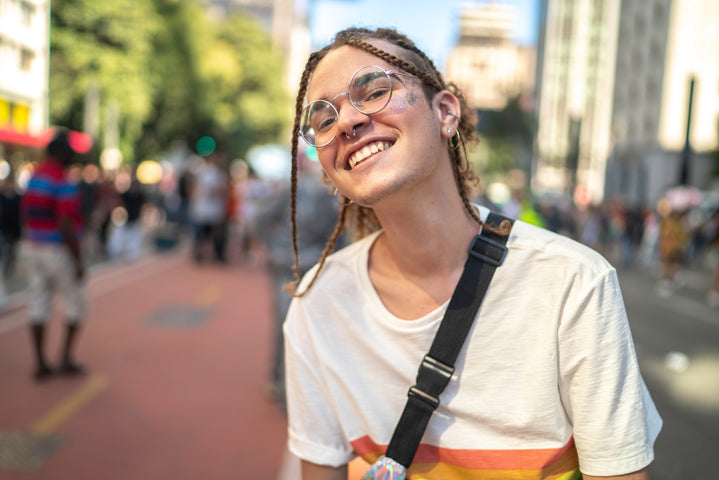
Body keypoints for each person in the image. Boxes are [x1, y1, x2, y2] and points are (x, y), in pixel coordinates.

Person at [282, 28, 661, 479]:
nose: (345, 122)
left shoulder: (571, 282)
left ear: (445, 112)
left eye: (374, 90)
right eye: (323, 120)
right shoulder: (318, 302)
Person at [21, 130, 87, 381]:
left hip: (33, 246)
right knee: (75, 303)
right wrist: (78, 259)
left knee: (38, 304)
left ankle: (40, 362)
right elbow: (66, 222)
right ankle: (65, 358)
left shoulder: (34, 177)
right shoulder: (61, 180)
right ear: (61, 153)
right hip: (57, 251)